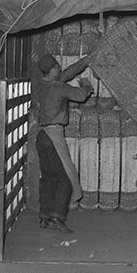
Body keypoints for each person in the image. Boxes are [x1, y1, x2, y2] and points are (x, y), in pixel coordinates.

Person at [33, 52, 92, 232]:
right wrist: (86, 85)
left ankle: (45, 217)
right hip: (53, 136)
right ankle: (58, 217)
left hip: (41, 136)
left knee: (49, 177)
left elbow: (67, 73)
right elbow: (80, 96)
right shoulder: (59, 87)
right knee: (66, 177)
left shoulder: (40, 84)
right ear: (51, 72)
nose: (60, 68)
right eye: (57, 67)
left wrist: (86, 61)